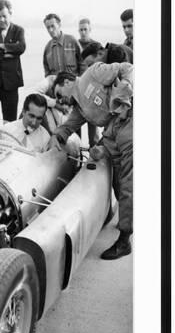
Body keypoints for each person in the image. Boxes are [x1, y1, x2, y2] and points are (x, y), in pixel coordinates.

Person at [48, 61, 134, 260]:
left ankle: (124, 240)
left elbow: (128, 68)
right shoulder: (79, 109)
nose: (60, 100)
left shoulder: (93, 74)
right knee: (118, 182)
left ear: (68, 82)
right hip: (114, 132)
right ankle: (128, 219)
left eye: (59, 94)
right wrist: (57, 136)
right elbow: (69, 126)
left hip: (130, 121)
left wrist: (123, 92)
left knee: (129, 182)